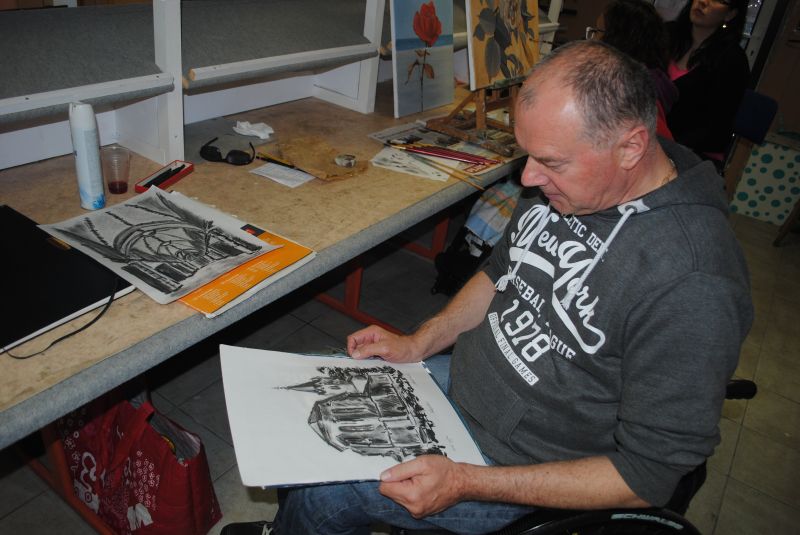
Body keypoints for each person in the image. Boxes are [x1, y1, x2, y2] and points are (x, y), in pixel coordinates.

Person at [224, 40, 753, 535]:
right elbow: (500, 270)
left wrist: (465, 482)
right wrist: (420, 342)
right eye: (529, 155)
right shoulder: (567, 186)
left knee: (325, 490)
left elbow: (647, 476)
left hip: (520, 466)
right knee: (300, 393)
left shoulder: (693, 281)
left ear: (631, 147)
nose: (528, 179)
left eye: (550, 162)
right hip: (462, 386)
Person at [665, 0, 751, 167]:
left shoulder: (733, 60)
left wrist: (666, 144)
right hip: (652, 138)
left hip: (693, 153)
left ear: (730, 14)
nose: (704, 2)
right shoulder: (666, 34)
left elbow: (716, 127)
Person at [598, 0, 678, 140]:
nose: (593, 40)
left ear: (617, 39)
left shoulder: (630, 95)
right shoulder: (650, 85)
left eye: (598, 32)